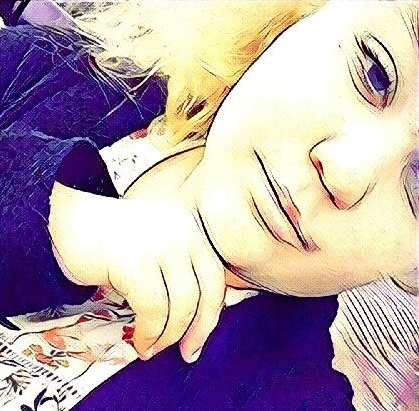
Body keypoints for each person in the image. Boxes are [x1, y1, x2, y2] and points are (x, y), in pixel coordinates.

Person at [48, 0, 418, 363]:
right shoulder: (62, 72)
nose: (344, 171)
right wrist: (49, 220)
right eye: (377, 72)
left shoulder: (291, 401)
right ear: (305, 12)